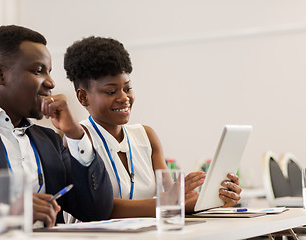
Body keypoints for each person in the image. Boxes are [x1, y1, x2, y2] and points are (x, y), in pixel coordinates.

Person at [0, 25, 113, 236]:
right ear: (0, 74)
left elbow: (96, 210)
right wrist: (4, 219)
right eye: (38, 71)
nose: (51, 82)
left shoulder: (49, 140)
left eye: (49, 72)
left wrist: (75, 134)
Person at [63, 36, 242, 218]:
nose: (124, 97)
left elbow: (171, 201)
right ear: (83, 97)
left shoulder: (145, 136)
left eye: (127, 88)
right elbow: (100, 208)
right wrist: (175, 200)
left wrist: (216, 198)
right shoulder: (78, 139)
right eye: (111, 91)